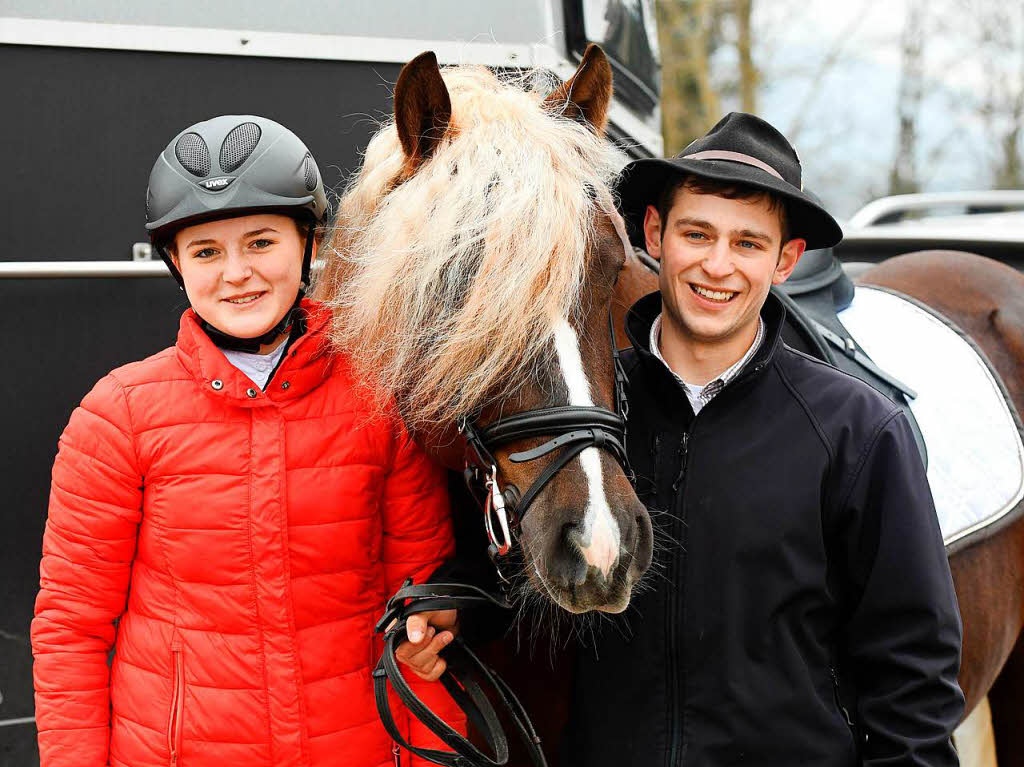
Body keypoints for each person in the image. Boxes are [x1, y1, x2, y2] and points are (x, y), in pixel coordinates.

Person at [32, 115, 459, 767]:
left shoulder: (379, 396)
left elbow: (425, 621)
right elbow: (71, 630)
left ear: (308, 242)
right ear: (176, 263)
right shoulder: (116, 415)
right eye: (206, 251)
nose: (237, 273)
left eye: (260, 242)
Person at [566, 113, 965, 766]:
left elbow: (913, 679)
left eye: (748, 243)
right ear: (655, 234)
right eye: (697, 233)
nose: (717, 265)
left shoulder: (858, 432)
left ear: (785, 260)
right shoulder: (591, 417)